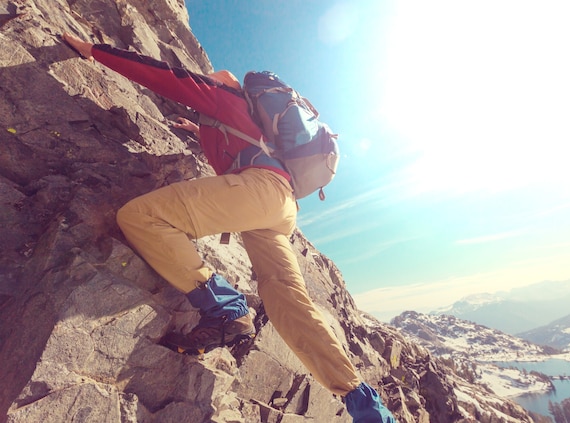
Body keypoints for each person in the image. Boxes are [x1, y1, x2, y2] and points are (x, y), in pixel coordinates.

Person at [62, 31, 396, 422]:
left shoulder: (228, 96)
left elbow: (163, 75)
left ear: (228, 84)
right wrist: (198, 129)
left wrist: (94, 51)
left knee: (141, 216)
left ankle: (225, 306)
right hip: (280, 208)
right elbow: (239, 145)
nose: (210, 81)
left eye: (214, 80)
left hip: (259, 192)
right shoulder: (243, 125)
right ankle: (365, 405)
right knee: (287, 299)